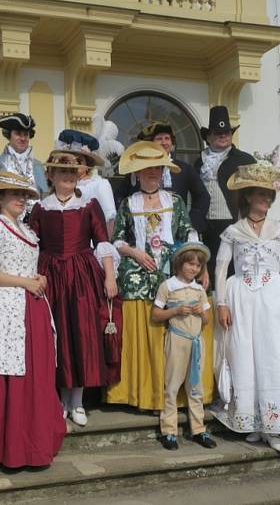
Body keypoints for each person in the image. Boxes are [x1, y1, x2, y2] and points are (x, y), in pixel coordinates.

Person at [212, 151, 280, 453]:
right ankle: (254, 422)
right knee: (246, 357)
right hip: (242, 301)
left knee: (274, 357)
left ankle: (274, 425)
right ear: (247, 197)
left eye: (268, 195)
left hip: (275, 299)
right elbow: (221, 268)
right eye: (260, 195)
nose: (265, 200)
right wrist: (221, 303)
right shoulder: (233, 232)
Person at [0, 170, 66, 470]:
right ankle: (4, 448)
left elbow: (20, 266)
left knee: (32, 376)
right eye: (13, 194)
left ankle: (29, 443)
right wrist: (25, 282)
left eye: (24, 195)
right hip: (4, 310)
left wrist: (37, 277)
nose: (21, 199)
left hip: (27, 306)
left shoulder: (25, 230)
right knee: (5, 376)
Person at [28, 129, 121, 428]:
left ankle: (77, 401)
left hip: (82, 274)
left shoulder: (88, 206)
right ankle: (58, 399)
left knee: (81, 335)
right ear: (51, 175)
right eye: (62, 172)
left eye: (73, 171)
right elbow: (33, 244)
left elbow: (102, 242)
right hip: (51, 274)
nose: (68, 176)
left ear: (80, 175)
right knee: (57, 335)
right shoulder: (41, 208)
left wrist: (109, 277)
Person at [104, 141, 195, 413]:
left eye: (156, 167)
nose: (152, 172)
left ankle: (169, 394)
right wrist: (134, 252)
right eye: (146, 168)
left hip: (171, 265)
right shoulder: (129, 203)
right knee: (135, 298)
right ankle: (143, 391)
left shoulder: (175, 202)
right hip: (139, 266)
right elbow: (116, 239)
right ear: (137, 173)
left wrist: (189, 258)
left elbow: (188, 233)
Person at [151, 242, 216, 451]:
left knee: (195, 387)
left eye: (198, 266)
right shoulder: (168, 286)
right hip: (177, 341)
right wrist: (176, 311)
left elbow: (205, 321)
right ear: (180, 263)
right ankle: (169, 431)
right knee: (172, 385)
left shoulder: (199, 289)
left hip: (196, 341)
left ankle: (198, 429)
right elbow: (156, 314)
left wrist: (201, 312)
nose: (194, 269)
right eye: (190, 264)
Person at [192, 106, 256, 283]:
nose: (223, 136)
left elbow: (256, 194)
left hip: (232, 222)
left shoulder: (244, 159)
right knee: (207, 271)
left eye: (226, 132)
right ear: (209, 136)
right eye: (218, 133)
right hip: (205, 226)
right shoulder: (199, 162)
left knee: (232, 271)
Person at [136, 121, 210, 243]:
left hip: (177, 231)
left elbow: (203, 196)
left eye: (167, 138)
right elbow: (122, 194)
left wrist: (191, 221)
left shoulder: (184, 168)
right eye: (159, 139)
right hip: (146, 230)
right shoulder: (140, 169)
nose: (164, 142)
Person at [0, 113, 47, 221]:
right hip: (7, 225)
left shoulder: (38, 166)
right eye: (18, 134)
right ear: (9, 135)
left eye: (26, 134)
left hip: (36, 224)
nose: (23, 138)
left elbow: (45, 196)